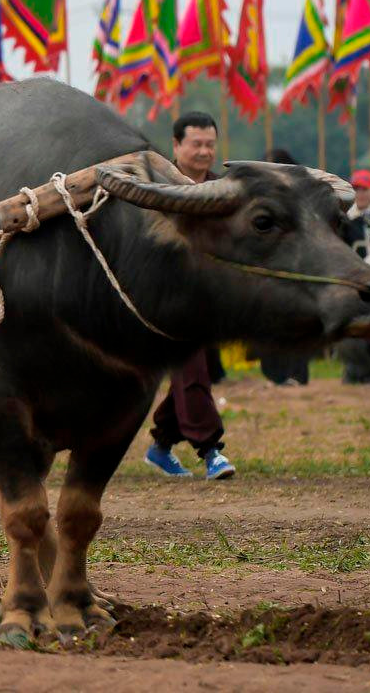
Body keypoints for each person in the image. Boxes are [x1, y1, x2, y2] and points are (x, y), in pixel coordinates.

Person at [144, 111, 236, 481]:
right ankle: (210, 449)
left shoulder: (226, 192)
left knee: (195, 373)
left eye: (210, 144)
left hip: (211, 300)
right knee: (192, 367)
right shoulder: (152, 188)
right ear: (177, 146)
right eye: (196, 144)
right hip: (164, 299)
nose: (204, 151)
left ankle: (161, 446)